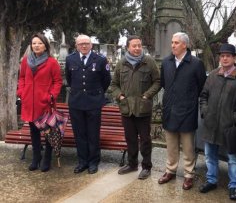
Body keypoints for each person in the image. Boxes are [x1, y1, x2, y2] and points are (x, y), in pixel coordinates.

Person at [198, 43, 236, 200]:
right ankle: (211, 180)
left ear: (234, 57)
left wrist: (233, 119)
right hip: (211, 124)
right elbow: (203, 96)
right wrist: (205, 112)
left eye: (228, 55)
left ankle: (234, 185)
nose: (225, 58)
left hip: (230, 127)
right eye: (222, 56)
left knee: (233, 159)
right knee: (209, 155)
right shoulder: (213, 75)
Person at [158, 32, 206, 190]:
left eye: (176, 43)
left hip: (187, 111)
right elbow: (164, 83)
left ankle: (188, 175)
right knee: (171, 145)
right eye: (172, 42)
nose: (173, 45)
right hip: (170, 109)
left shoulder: (196, 63)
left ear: (184, 45)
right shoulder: (166, 62)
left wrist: (189, 100)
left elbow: (201, 86)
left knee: (188, 147)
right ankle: (170, 171)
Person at [110, 36, 161, 179]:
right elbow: (113, 84)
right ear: (128, 47)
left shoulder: (148, 62)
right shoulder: (122, 63)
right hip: (127, 109)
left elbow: (157, 81)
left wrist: (147, 95)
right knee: (130, 138)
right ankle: (132, 164)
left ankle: (146, 166)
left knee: (145, 139)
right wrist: (119, 96)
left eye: (139, 45)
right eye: (134, 46)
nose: (137, 48)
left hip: (143, 108)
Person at [65, 34, 111, 174]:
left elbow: (106, 80)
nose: (84, 46)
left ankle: (93, 162)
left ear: (91, 45)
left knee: (93, 133)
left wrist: (96, 94)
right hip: (76, 102)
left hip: (93, 102)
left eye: (86, 43)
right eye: (81, 44)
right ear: (76, 46)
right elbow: (69, 78)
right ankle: (82, 162)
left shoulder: (101, 60)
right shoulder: (70, 59)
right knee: (79, 134)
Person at [17, 33, 63, 172]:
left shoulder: (51, 62)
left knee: (48, 132)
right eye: (34, 43)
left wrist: (51, 96)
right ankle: (36, 157)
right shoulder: (26, 60)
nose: (36, 45)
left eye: (40, 43)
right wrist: (21, 92)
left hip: (45, 103)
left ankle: (47, 158)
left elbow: (57, 82)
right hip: (29, 102)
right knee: (34, 131)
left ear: (45, 46)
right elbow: (22, 77)